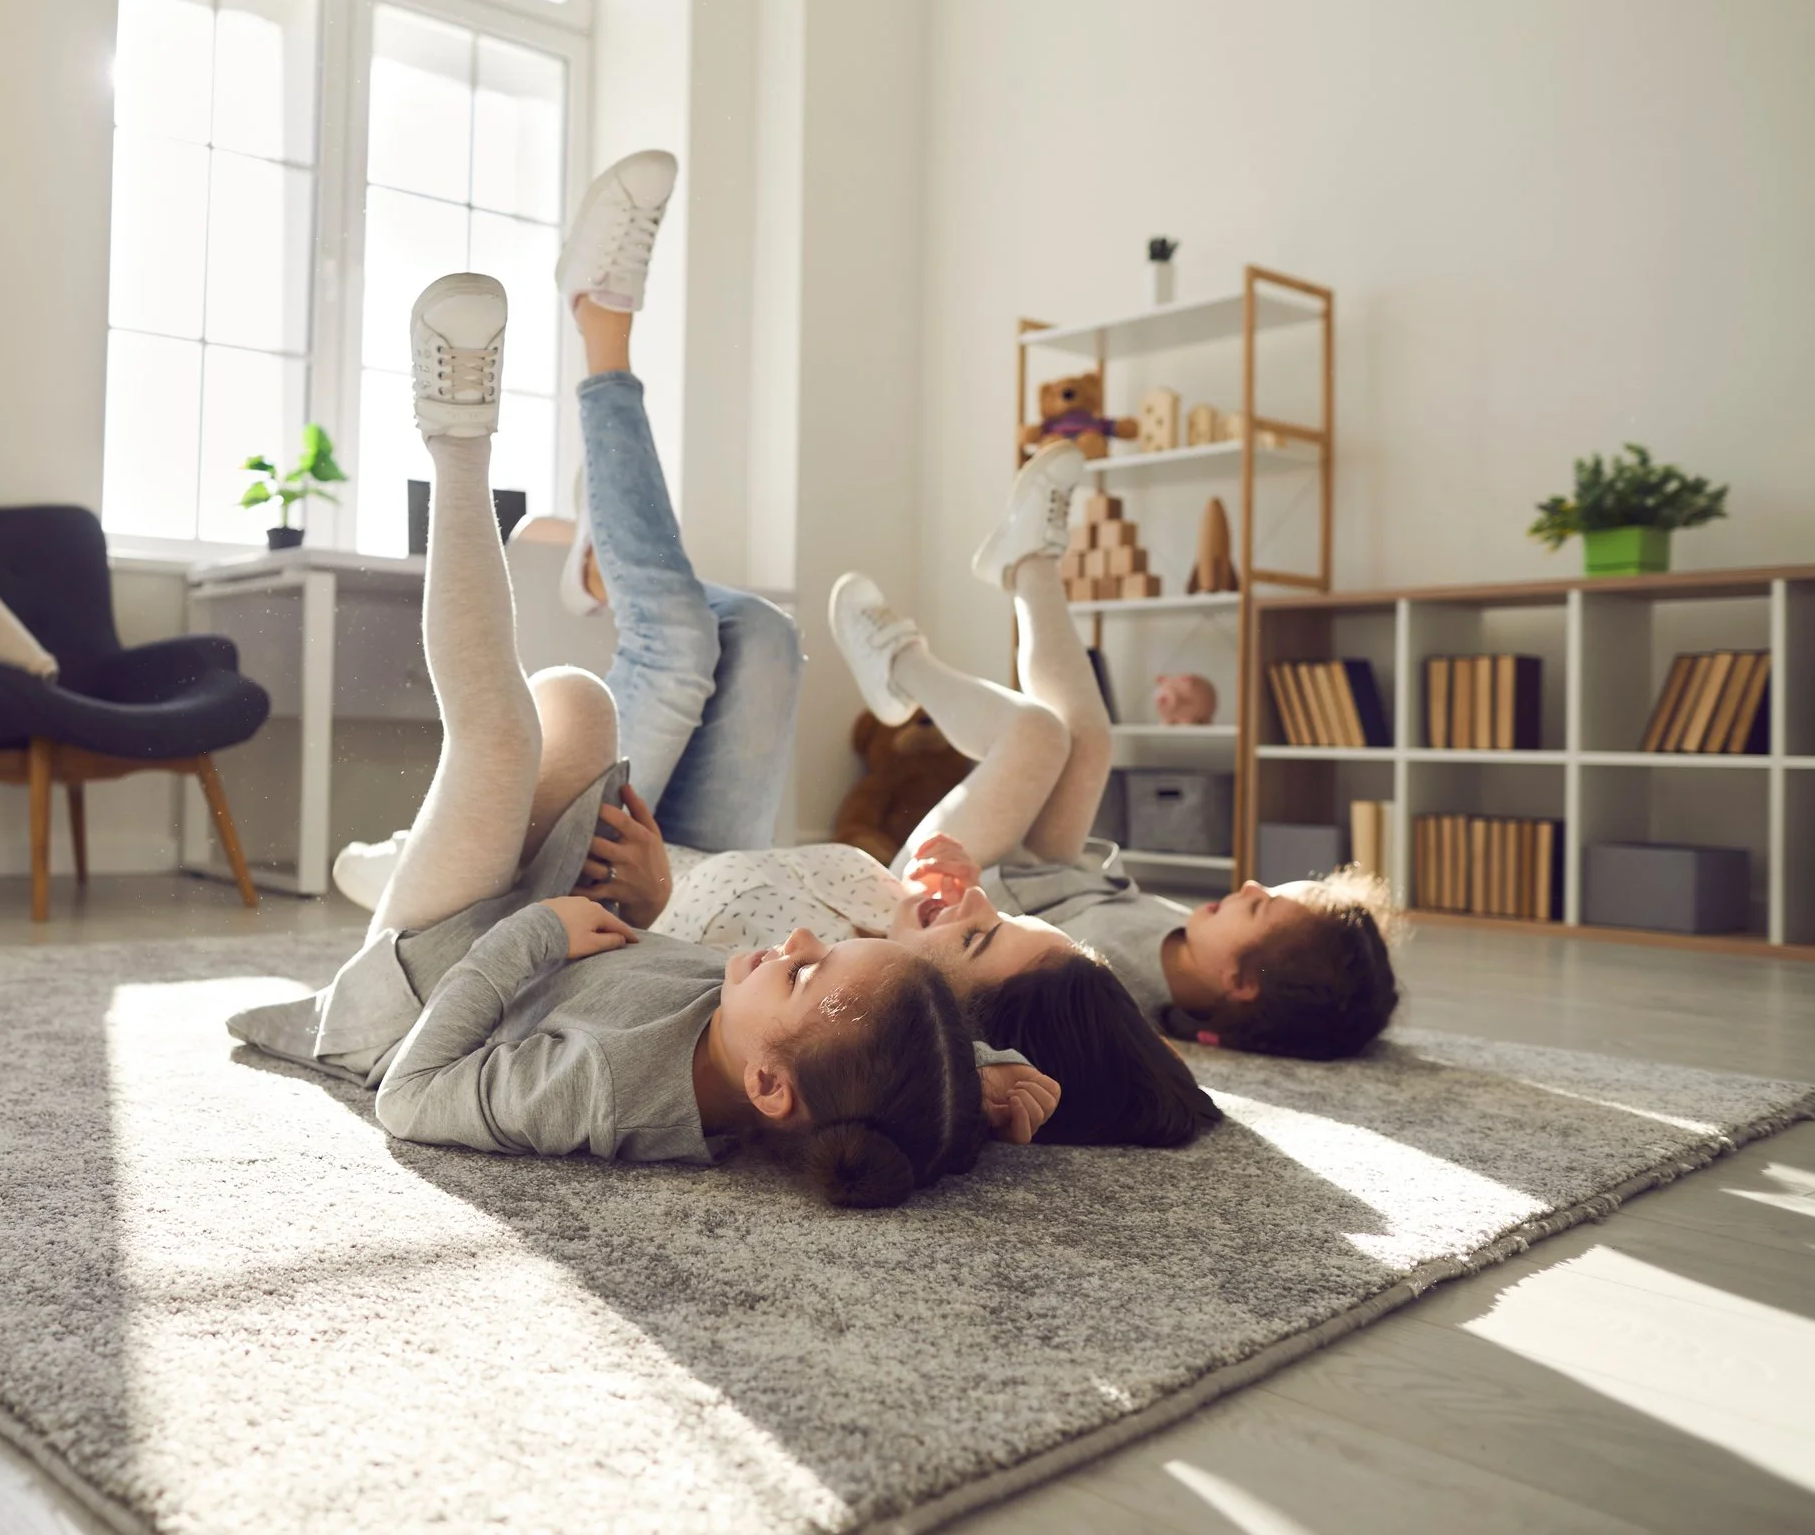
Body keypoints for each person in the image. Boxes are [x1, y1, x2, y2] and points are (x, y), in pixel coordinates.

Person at [227, 265, 987, 1209]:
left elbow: (413, 1099)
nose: (798, 938)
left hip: (414, 1001)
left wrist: (532, 936)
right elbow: (851, 1031)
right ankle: (435, 843)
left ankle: (456, 435)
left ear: (769, 1090)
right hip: (520, 931)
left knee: (501, 735)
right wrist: (961, 1072)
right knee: (579, 701)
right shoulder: (766, 1031)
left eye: (804, 967)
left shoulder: (606, 1090)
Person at [824, 437, 1402, 1062]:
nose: (1251, 883)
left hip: (954, 893)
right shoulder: (1197, 944)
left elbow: (983, 1008)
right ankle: (1028, 562)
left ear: (1240, 982)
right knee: (1091, 739)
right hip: (1043, 872)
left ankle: (901, 662)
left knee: (1037, 736)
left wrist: (939, 912)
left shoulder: (1113, 996)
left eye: (1258, 906)